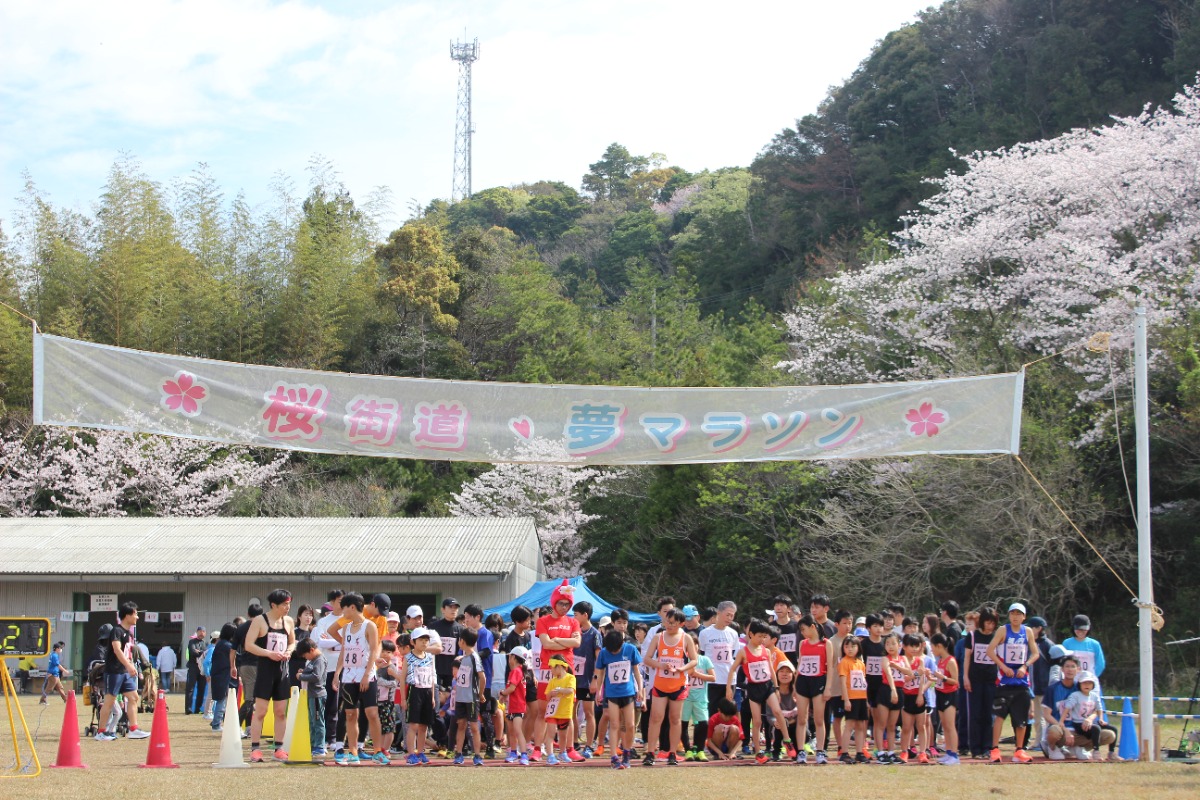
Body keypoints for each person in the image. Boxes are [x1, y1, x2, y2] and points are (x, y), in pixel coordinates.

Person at [726, 617, 795, 765]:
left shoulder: (766, 651)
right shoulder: (743, 652)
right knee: (757, 721)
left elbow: (771, 670)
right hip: (753, 688)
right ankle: (758, 752)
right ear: (751, 634)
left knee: (778, 712)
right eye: (759, 636)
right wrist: (729, 688)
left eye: (764, 637)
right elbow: (732, 669)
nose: (762, 640)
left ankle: (787, 740)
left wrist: (776, 688)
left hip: (767, 685)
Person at [332, 592, 387, 765]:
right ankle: (353, 751)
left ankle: (377, 751)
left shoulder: (370, 626)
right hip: (349, 677)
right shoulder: (347, 628)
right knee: (350, 713)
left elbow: (374, 651)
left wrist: (366, 675)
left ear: (352, 607)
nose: (343, 613)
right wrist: (337, 673)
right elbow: (344, 651)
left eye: (344, 609)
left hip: (366, 675)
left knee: (371, 713)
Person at [244, 588, 297, 763]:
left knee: (280, 712)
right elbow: (249, 645)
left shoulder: (288, 621)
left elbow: (292, 642)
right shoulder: (260, 620)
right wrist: (269, 654)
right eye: (284, 605)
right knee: (261, 711)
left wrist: (289, 651)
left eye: (289, 604)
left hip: (282, 670)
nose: (287, 608)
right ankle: (255, 749)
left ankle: (279, 748)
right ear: (273, 605)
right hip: (265, 670)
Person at [641, 608, 699, 766]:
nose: (669, 625)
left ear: (681, 624)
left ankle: (672, 752)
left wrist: (682, 669)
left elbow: (694, 660)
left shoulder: (686, 638)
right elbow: (647, 658)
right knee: (656, 718)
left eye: (673, 623)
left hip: (678, 685)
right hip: (660, 684)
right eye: (667, 622)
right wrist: (660, 665)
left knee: (675, 719)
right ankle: (650, 753)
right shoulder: (658, 637)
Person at [534, 580, 582, 761]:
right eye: (561, 603)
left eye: (568, 604)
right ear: (554, 602)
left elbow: (577, 642)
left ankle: (569, 749)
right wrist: (566, 642)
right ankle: (537, 749)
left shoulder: (573, 622)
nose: (564, 607)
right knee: (543, 711)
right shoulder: (543, 621)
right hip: (547, 669)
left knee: (568, 712)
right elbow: (546, 643)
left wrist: (556, 640)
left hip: (567, 671)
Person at [985, 602, 1038, 764]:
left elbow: (1035, 654)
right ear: (1009, 615)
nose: (1015, 617)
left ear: (1024, 617)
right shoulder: (1003, 630)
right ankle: (994, 749)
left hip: (1021, 681)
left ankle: (1019, 750)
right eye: (1012, 613)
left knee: (1021, 718)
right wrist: (1002, 666)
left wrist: (1025, 666)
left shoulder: (1027, 631)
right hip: (1004, 680)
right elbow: (990, 650)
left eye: (1018, 614)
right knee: (1000, 716)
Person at [94, 601, 150, 741]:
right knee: (109, 701)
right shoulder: (117, 631)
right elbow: (117, 649)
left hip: (125, 672)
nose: (137, 617)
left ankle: (133, 729)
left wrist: (131, 666)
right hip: (114, 671)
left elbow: (127, 653)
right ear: (127, 615)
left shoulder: (129, 634)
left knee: (134, 697)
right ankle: (101, 732)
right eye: (135, 614)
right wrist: (129, 666)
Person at [593, 628, 644, 769]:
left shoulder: (631, 649)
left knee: (630, 725)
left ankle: (627, 752)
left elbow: (636, 671)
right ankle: (614, 757)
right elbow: (601, 673)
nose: (614, 652)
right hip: (612, 694)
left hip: (628, 692)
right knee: (614, 724)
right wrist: (599, 691)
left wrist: (640, 689)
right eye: (612, 650)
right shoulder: (604, 653)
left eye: (616, 650)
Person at [794, 613, 835, 764]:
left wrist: (828, 688)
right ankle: (800, 752)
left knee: (819, 719)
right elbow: (800, 665)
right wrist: (795, 684)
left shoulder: (826, 644)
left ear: (812, 627)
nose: (803, 633)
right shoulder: (802, 644)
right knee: (801, 718)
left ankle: (820, 751)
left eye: (804, 629)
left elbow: (830, 667)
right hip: (803, 681)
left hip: (819, 681)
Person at [462, 603, 498, 758]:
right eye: (464, 617)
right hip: (467, 679)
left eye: (468, 617)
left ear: (477, 617)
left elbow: (486, 651)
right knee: (464, 714)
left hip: (483, 679)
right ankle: (465, 746)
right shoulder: (466, 633)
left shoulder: (485, 633)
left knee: (485, 713)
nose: (466, 620)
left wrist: (471, 657)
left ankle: (490, 747)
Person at [963, 606, 999, 759]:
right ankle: (975, 748)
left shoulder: (996, 637)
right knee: (975, 714)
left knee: (988, 715)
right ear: (982, 621)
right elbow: (967, 658)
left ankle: (987, 747)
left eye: (993, 623)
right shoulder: (972, 636)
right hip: (975, 680)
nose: (990, 626)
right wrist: (965, 677)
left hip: (991, 680)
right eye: (988, 622)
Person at [1060, 672, 1118, 760]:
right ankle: (1096, 751)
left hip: (1091, 722)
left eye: (1089, 683)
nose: (1087, 685)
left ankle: (1111, 752)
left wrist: (1101, 719)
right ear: (1079, 684)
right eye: (1084, 683)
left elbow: (1099, 708)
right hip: (1079, 723)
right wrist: (1061, 721)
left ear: (1093, 685)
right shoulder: (1075, 695)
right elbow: (1067, 708)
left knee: (1114, 729)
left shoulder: (1094, 696)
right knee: (1096, 728)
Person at [400, 627, 436, 765]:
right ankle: (411, 754)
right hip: (414, 691)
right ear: (413, 642)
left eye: (426, 640)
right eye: (421, 640)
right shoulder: (408, 658)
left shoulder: (430, 657)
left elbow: (432, 677)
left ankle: (420, 752)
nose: (424, 642)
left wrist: (432, 696)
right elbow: (402, 679)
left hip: (427, 691)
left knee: (424, 725)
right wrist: (403, 699)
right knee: (413, 724)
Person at [451, 627, 487, 766]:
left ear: (462, 641)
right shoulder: (463, 658)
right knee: (461, 725)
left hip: (471, 698)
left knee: (473, 726)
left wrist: (480, 693)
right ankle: (458, 754)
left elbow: (482, 677)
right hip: (460, 698)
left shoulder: (474, 657)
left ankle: (477, 755)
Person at [571, 600, 603, 758]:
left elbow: (599, 659)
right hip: (572, 680)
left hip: (588, 680)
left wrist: (595, 679)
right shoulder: (573, 632)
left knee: (589, 713)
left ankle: (589, 745)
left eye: (576, 614)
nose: (574, 617)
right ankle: (573, 743)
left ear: (585, 615)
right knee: (571, 712)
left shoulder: (595, 634)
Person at [681, 629, 714, 762]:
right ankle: (688, 750)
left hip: (700, 698)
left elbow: (713, 677)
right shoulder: (683, 660)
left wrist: (696, 674)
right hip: (685, 698)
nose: (692, 647)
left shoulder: (704, 660)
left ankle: (699, 750)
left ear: (698, 646)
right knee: (683, 724)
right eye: (689, 644)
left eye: (694, 644)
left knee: (703, 723)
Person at [836, 634, 870, 764]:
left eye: (853, 646)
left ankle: (859, 752)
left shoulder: (860, 663)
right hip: (851, 698)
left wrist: (866, 700)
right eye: (847, 646)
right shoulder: (844, 662)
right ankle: (844, 753)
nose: (850, 649)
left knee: (861, 725)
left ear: (858, 648)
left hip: (861, 697)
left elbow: (863, 682)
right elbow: (843, 682)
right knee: (849, 725)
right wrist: (846, 700)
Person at [928, 632, 961, 764]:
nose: (932, 650)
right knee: (945, 726)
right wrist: (932, 678)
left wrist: (942, 677)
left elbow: (955, 681)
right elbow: (939, 679)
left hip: (950, 695)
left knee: (950, 725)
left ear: (939, 646)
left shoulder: (950, 660)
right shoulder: (940, 660)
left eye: (933, 646)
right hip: (940, 694)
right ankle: (948, 752)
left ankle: (954, 755)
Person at [295, 637, 328, 758]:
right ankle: (314, 744)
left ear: (312, 650)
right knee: (312, 721)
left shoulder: (319, 660)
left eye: (305, 655)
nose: (306, 658)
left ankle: (319, 747)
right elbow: (312, 673)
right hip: (311, 695)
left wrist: (301, 676)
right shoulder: (313, 660)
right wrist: (304, 671)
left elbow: (316, 676)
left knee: (318, 721)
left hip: (317, 695)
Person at [542, 654, 577, 765]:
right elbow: (547, 696)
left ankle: (562, 752)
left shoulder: (570, 678)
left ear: (559, 666)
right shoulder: (552, 681)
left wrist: (559, 690)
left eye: (552, 667)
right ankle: (550, 756)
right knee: (551, 733)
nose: (550, 670)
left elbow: (570, 690)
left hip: (564, 712)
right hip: (552, 712)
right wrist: (551, 693)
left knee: (563, 735)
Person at [501, 646, 530, 765]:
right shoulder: (517, 671)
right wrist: (504, 695)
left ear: (513, 657)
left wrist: (503, 693)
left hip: (517, 706)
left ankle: (524, 754)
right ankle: (513, 752)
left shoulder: (516, 671)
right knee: (511, 732)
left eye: (510, 657)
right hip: (512, 706)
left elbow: (511, 688)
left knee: (518, 731)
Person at [208, 624, 237, 732]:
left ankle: (216, 722)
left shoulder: (221, 644)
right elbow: (236, 656)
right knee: (222, 701)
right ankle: (216, 724)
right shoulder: (227, 646)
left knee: (221, 700)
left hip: (218, 674)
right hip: (222, 675)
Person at [185, 625, 207, 714]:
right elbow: (192, 651)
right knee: (190, 688)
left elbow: (205, 653)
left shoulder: (204, 643)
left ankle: (198, 708)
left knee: (201, 689)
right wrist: (202, 653)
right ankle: (188, 708)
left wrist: (200, 652)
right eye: (200, 631)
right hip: (193, 667)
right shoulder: (192, 642)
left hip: (201, 668)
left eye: (203, 632)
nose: (202, 633)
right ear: (197, 632)